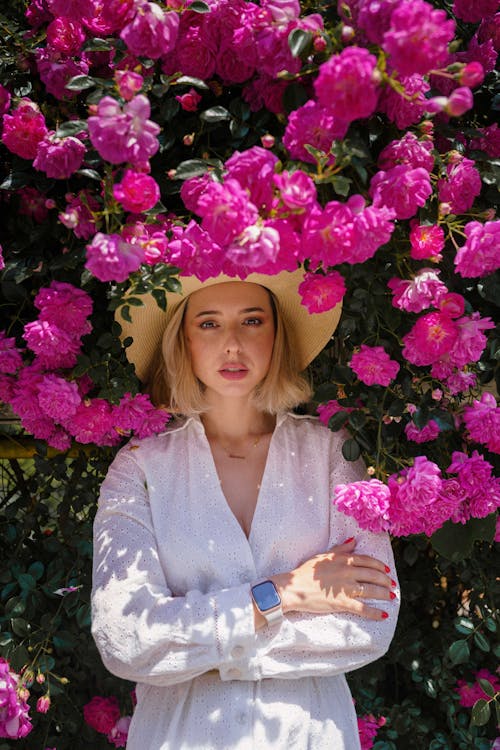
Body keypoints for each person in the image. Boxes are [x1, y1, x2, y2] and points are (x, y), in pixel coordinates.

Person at [91, 267, 400, 750]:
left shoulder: (333, 455)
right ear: (183, 339)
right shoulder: (140, 469)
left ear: (277, 335)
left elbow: (369, 622)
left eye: (252, 321)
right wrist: (283, 593)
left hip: (310, 734)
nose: (231, 344)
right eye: (209, 324)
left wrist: (199, 649)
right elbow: (125, 639)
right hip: (180, 736)